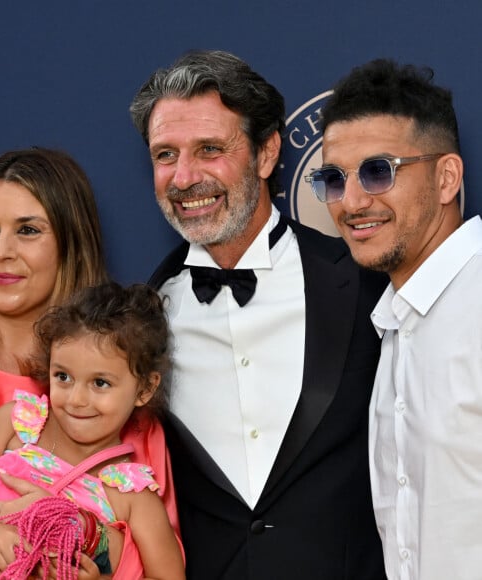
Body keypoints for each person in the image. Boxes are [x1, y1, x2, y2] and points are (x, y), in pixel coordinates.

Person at [130, 49, 387, 579]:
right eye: (164, 155)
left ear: (267, 152)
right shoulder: (138, 320)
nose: (183, 178)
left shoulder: (365, 286)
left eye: (209, 149)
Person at [0, 147, 178, 580]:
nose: (1, 252)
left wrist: (93, 550)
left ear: (71, 244)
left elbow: (149, 558)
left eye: (28, 230)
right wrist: (7, 560)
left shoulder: (119, 398)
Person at [309, 58, 482, 580]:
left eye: (378, 171)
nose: (352, 202)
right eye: (334, 179)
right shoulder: (393, 323)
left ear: (447, 177)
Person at [0, 282, 185, 580]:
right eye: (63, 376)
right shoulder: (18, 424)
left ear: (145, 388)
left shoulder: (132, 494)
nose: (76, 399)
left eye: (100, 383)